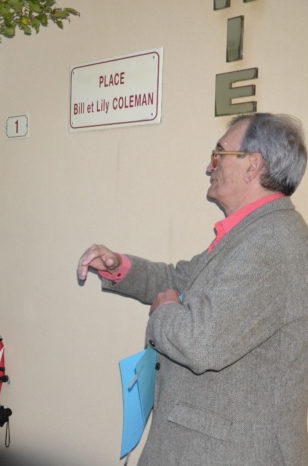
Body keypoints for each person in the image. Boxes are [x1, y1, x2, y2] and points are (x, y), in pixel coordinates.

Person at [77, 113, 308, 465]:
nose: (209, 165)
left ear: (253, 166)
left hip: (231, 452)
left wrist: (163, 312)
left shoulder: (271, 242)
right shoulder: (252, 233)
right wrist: (119, 267)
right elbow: (180, 279)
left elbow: (201, 343)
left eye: (220, 153)